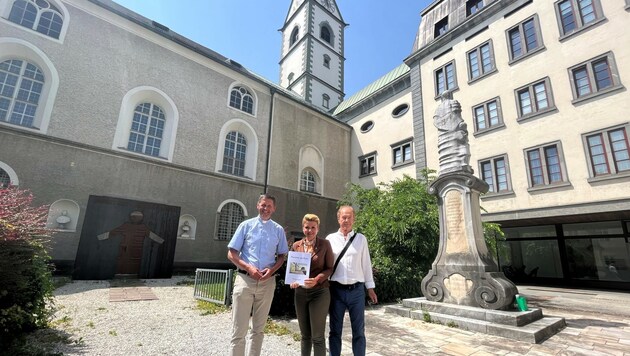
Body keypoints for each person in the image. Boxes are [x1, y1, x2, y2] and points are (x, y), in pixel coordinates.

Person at [227, 194, 289, 356]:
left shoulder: (278, 230)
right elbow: (231, 253)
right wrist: (248, 267)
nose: (265, 208)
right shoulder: (245, 226)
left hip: (267, 283)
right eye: (263, 205)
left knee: (258, 330)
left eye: (269, 206)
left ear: (274, 208)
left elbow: (282, 256)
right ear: (257, 206)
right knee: (239, 330)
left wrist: (272, 270)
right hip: (245, 280)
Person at [326, 206, 378, 356]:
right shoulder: (330, 239)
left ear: (354, 219)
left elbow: (366, 264)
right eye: (343, 217)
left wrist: (370, 288)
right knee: (335, 330)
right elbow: (327, 265)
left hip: (356, 291)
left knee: (359, 331)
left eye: (349, 217)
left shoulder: (361, 239)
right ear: (338, 218)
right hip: (336, 291)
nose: (346, 220)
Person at [289, 214, 334, 356]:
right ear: (303, 228)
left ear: (318, 229)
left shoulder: (325, 244)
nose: (310, 230)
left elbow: (330, 268)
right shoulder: (296, 246)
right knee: (305, 336)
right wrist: (293, 281)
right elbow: (292, 270)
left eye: (313, 227)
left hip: (319, 293)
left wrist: (317, 279)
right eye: (307, 227)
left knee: (317, 337)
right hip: (300, 294)